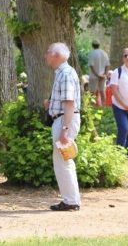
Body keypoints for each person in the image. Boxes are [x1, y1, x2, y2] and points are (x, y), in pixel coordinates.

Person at [43, 42, 82, 211]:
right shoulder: (62, 73)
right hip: (63, 120)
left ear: (56, 56)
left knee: (63, 161)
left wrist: (65, 130)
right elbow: (65, 101)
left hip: (64, 121)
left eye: (48, 52)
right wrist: (51, 104)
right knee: (63, 160)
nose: (45, 56)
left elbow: (70, 103)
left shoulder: (65, 73)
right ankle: (71, 199)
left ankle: (71, 201)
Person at [88, 40, 110, 107]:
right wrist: (105, 74)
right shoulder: (104, 53)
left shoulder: (92, 53)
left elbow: (91, 66)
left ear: (92, 45)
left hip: (94, 76)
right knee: (102, 91)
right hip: (102, 76)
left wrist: (97, 75)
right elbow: (107, 65)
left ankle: (92, 107)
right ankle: (103, 106)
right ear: (99, 45)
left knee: (92, 92)